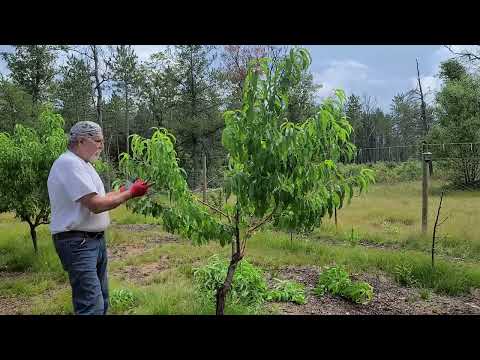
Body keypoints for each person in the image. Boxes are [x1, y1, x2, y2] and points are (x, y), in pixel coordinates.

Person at [47, 121, 150, 315]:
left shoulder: (83, 164)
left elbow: (101, 198)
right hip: (78, 243)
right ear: (81, 140)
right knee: (91, 305)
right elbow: (95, 205)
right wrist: (130, 194)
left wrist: (122, 191)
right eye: (98, 141)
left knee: (101, 300)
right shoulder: (69, 163)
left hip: (91, 241)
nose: (101, 146)